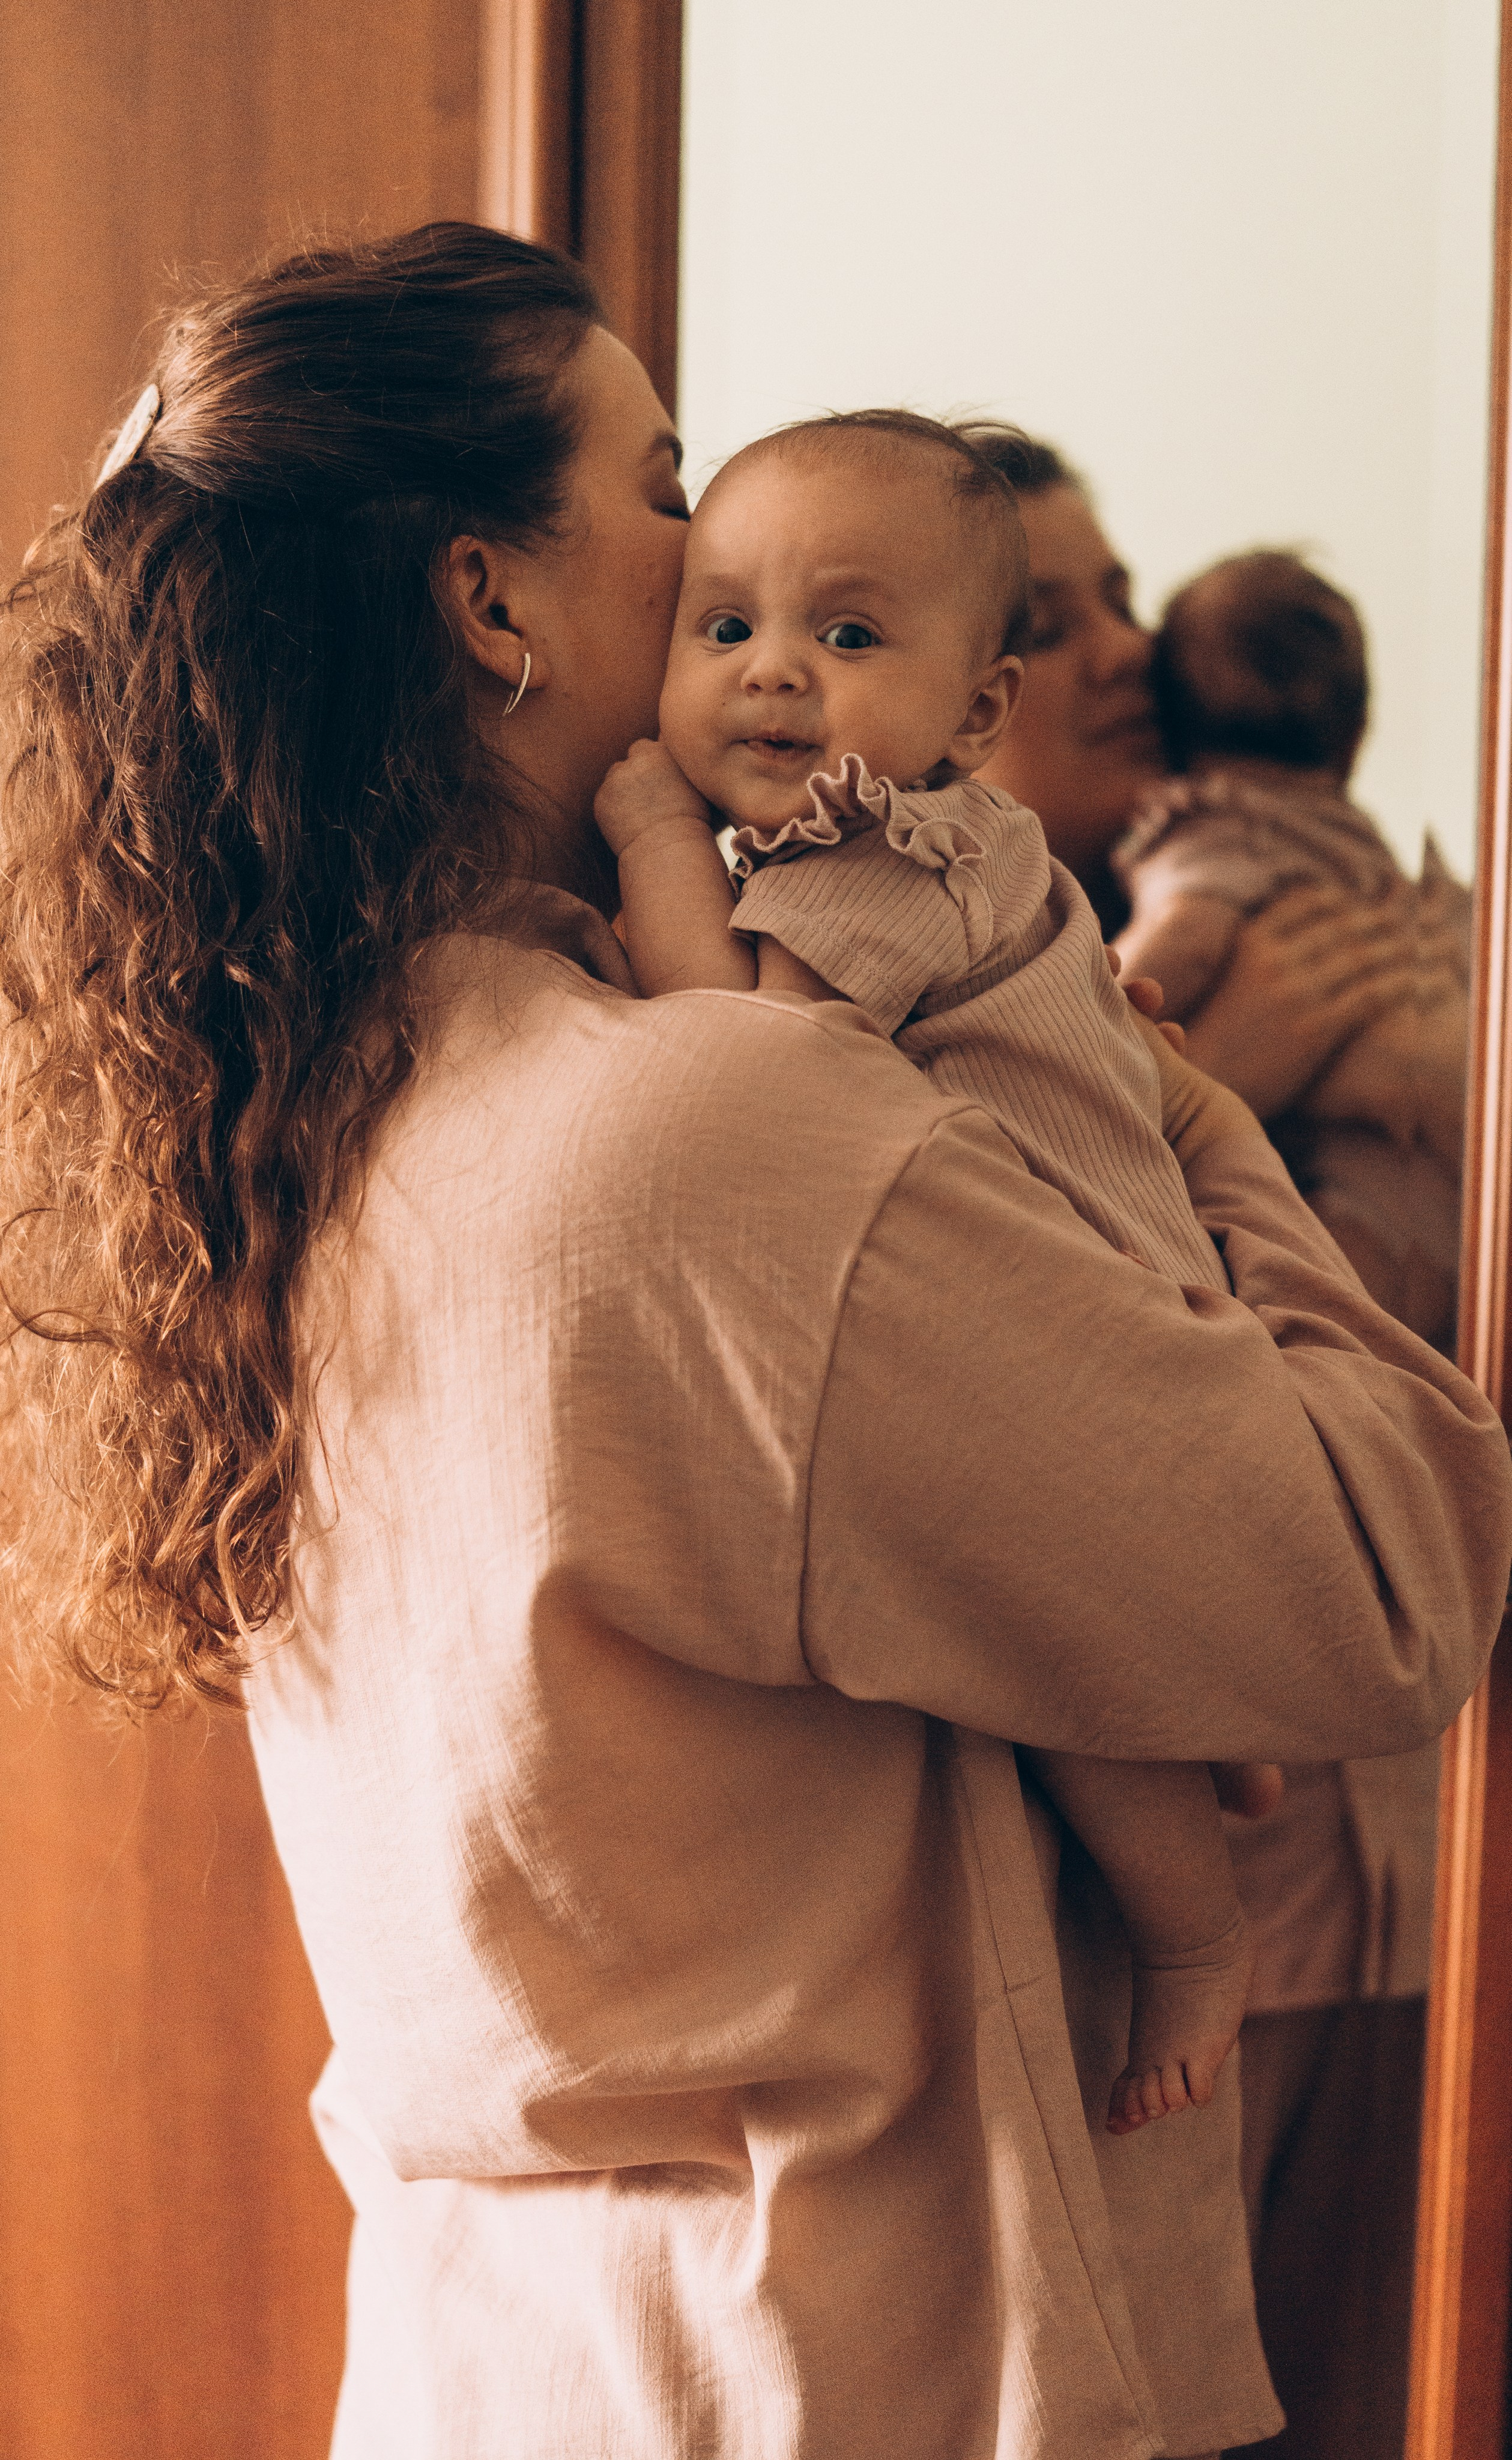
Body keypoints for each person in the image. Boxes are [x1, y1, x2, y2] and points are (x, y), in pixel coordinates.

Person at [2, 227, 1507, 2460]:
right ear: (490, 601)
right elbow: (1388, 1568)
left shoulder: (291, 1135)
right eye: (661, 473)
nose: (712, 536)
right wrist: (1176, 1093)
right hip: (857, 2380)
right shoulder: (711, 1137)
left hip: (483, 2375)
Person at [597, 404, 1271, 2140]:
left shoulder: (889, 847)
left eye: (844, 637)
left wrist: (649, 838)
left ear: (977, 716)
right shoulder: (882, 843)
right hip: (1068, 1287)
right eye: (723, 625)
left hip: (1084, 1317)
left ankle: (1194, 1944)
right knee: (1117, 1642)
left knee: (1066, 1667)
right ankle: (1218, 1725)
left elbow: (748, 1059)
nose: (768, 679)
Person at [963, 428, 1471, 2459]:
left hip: (1406, 1871)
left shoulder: (1277, 902)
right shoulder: (913, 1028)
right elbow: (1057, 1428)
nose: (1119, 647)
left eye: (1114, 596)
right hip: (1156, 1960)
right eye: (1040, 617)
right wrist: (1227, 1079)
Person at [1114, 550, 1469, 1352]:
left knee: (1332, 1327)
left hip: (1334, 1196)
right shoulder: (1356, 841)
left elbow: (1187, 938)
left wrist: (1095, 1001)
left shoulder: (1213, 825)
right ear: (1353, 734)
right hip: (1428, 1205)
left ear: (1167, 722)